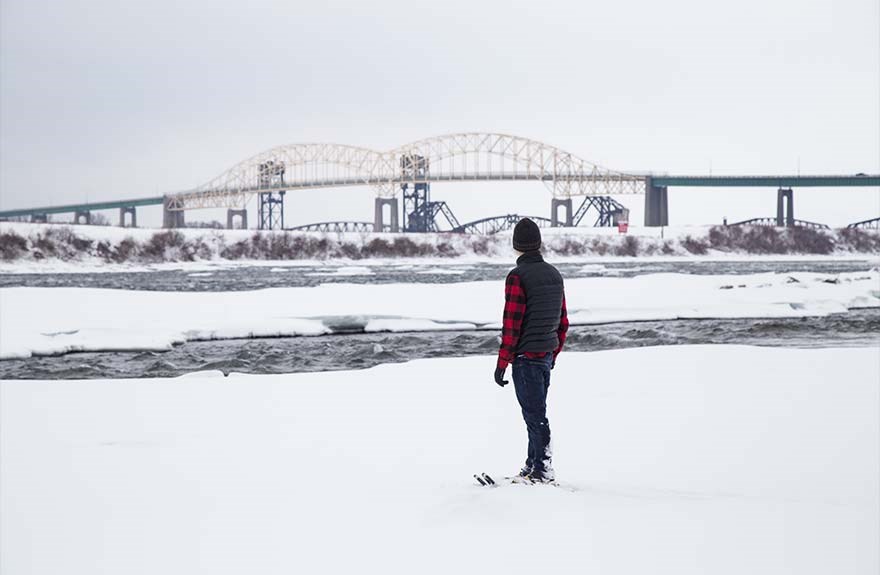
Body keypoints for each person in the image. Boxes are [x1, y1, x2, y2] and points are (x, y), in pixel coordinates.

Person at [494, 218, 568, 483]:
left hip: (526, 358)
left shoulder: (517, 277)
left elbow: (511, 326)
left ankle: (542, 470)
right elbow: (563, 322)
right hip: (545, 355)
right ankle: (532, 465)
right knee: (535, 412)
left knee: (535, 416)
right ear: (538, 243)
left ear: (516, 245)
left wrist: (502, 363)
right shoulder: (554, 274)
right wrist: (553, 353)